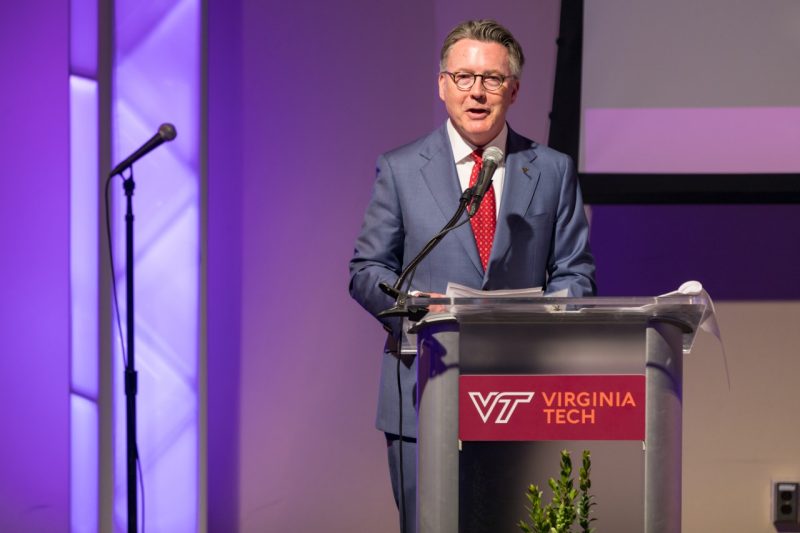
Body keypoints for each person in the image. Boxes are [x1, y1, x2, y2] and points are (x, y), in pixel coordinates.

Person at [348, 19, 596, 531]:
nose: (477, 92)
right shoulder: (399, 169)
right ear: (442, 85)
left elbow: (575, 273)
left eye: (492, 79)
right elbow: (367, 271)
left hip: (521, 392)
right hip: (422, 390)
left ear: (515, 89)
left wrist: (541, 316)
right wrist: (416, 309)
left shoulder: (550, 170)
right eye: (463, 77)